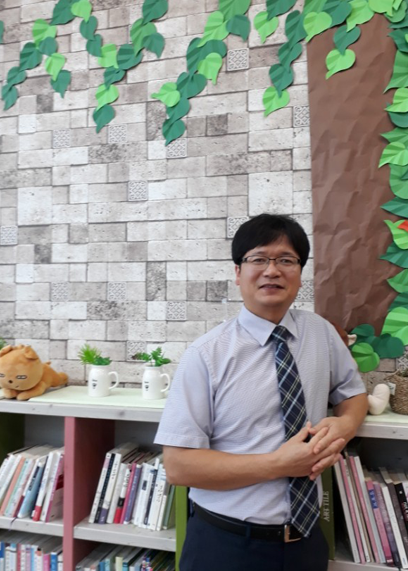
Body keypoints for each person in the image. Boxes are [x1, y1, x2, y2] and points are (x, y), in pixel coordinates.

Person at [154, 213, 368, 571]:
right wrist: (279, 465)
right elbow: (178, 466)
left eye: (286, 260)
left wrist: (345, 426)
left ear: (300, 272)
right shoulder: (206, 354)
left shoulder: (321, 333)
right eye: (258, 259)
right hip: (226, 545)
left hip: (306, 542)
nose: (272, 270)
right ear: (238, 273)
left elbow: (353, 394)